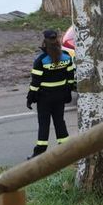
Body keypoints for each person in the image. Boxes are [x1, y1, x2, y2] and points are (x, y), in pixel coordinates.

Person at [26, 29, 75, 159]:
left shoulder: (41, 60)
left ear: (44, 42)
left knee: (44, 124)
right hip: (60, 97)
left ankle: (40, 152)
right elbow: (71, 77)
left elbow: (35, 82)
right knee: (60, 122)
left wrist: (30, 98)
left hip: (44, 98)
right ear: (58, 41)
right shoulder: (66, 57)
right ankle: (66, 150)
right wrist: (68, 92)